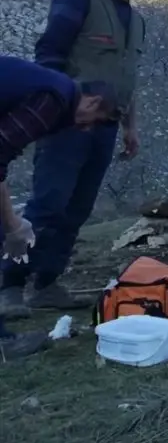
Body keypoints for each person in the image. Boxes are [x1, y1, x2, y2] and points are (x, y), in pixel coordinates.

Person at [0, 0, 153, 315]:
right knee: (48, 204)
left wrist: (131, 127)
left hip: (107, 126)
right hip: (68, 120)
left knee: (77, 209)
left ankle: (48, 284)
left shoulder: (136, 21)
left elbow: (127, 76)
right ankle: (10, 286)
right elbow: (48, 54)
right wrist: (55, 107)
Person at [0, 56, 117, 359]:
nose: (87, 130)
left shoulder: (53, 89)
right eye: (92, 121)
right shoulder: (53, 99)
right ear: (91, 102)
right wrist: (13, 224)